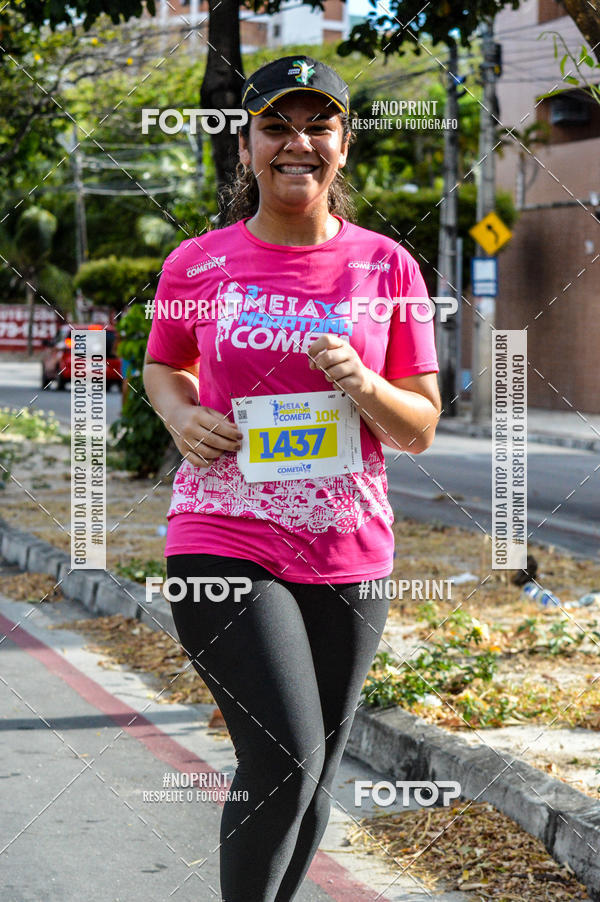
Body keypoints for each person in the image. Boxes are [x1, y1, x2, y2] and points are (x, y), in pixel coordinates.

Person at [143, 55, 441, 902]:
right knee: (284, 755)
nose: (296, 143)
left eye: (319, 126)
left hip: (349, 545)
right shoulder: (198, 265)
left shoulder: (388, 268)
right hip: (222, 534)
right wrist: (178, 413)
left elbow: (417, 427)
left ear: (344, 146)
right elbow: (166, 367)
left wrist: (363, 380)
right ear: (246, 147)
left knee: (315, 774)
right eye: (276, 126)